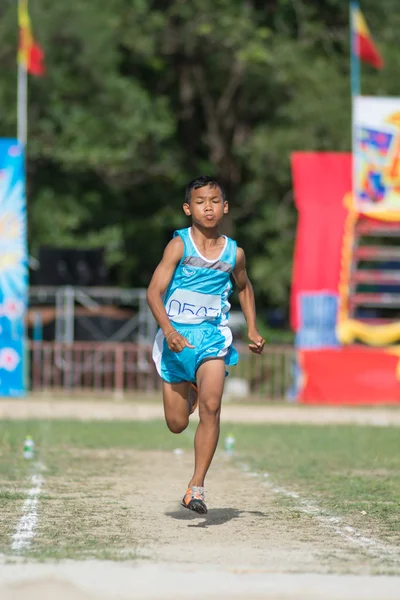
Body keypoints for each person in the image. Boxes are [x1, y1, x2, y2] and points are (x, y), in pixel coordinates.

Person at [146, 175, 265, 514]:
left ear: (224, 207)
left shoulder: (233, 252)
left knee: (212, 408)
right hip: (176, 340)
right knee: (177, 424)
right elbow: (153, 293)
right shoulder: (178, 246)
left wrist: (253, 329)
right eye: (200, 202)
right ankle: (189, 390)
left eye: (214, 201)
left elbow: (243, 287)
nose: (208, 207)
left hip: (212, 338)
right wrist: (169, 331)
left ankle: (195, 488)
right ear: (188, 208)